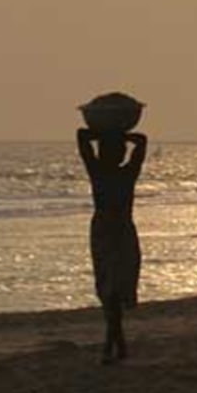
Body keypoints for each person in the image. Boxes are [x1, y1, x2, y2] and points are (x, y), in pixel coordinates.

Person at [76, 125, 146, 364]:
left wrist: (105, 134)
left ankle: (113, 345)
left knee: (112, 289)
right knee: (111, 289)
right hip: (117, 231)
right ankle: (115, 344)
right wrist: (119, 135)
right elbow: (142, 142)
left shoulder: (99, 172)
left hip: (109, 231)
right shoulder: (127, 172)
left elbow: (82, 137)